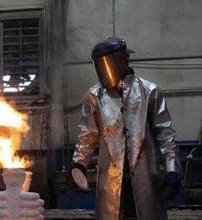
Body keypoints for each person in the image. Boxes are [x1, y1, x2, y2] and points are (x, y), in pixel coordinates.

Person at [70, 37, 182, 219]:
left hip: (146, 180)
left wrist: (172, 169)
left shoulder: (149, 91)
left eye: (106, 62)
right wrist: (78, 165)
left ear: (124, 59)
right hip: (111, 185)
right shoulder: (94, 96)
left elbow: (165, 134)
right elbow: (87, 136)